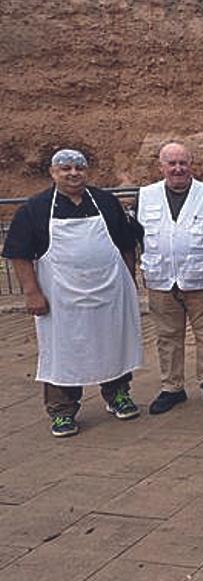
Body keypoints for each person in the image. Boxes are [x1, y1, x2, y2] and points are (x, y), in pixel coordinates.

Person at [2, 149, 142, 437]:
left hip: (108, 295)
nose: (73, 173)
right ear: (53, 173)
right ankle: (62, 411)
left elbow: (126, 245)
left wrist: (129, 282)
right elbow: (19, 254)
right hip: (61, 300)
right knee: (63, 352)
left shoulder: (106, 202)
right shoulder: (36, 209)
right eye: (65, 168)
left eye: (79, 168)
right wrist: (32, 293)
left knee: (113, 343)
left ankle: (118, 395)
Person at [135, 142, 203, 414]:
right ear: (161, 166)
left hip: (200, 278)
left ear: (191, 164)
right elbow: (138, 234)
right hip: (161, 278)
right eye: (172, 163)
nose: (178, 169)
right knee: (167, 336)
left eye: (183, 163)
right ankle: (172, 388)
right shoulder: (145, 196)